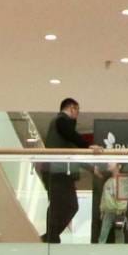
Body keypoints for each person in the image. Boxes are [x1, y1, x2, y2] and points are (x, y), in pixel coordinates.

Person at [40, 97, 90, 244]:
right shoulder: (60, 121)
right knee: (64, 205)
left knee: (66, 205)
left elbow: (72, 149)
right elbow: (70, 135)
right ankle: (50, 237)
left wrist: (91, 167)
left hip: (59, 171)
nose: (77, 114)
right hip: (58, 172)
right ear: (72, 108)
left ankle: (51, 236)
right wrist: (88, 147)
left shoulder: (62, 128)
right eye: (77, 110)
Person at [98, 164, 128, 245]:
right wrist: (102, 210)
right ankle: (99, 252)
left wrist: (121, 210)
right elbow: (103, 197)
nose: (109, 163)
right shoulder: (108, 181)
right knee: (103, 234)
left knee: (119, 234)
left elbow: (124, 199)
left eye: (112, 160)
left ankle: (120, 253)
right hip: (108, 213)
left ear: (119, 166)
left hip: (119, 213)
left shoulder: (123, 180)